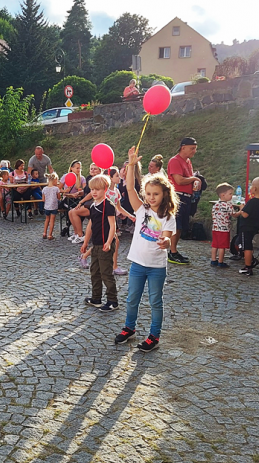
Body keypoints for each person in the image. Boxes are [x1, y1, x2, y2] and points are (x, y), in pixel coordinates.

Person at [115, 146, 178, 352]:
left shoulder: (168, 217)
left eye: (156, 194)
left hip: (156, 267)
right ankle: (129, 328)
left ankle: (154, 336)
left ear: (164, 194)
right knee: (132, 298)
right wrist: (131, 165)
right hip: (137, 265)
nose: (151, 197)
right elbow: (130, 188)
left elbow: (168, 239)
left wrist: (165, 243)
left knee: (155, 302)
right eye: (149, 194)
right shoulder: (141, 210)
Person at [80, 175, 118, 312]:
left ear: (105, 189)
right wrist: (85, 242)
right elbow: (90, 225)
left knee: (106, 273)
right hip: (95, 245)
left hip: (105, 245)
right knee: (94, 272)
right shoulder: (92, 205)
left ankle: (112, 300)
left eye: (97, 189)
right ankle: (96, 298)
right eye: (92, 189)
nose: (94, 192)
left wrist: (109, 241)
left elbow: (112, 225)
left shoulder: (108, 205)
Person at [167, 137, 201, 264]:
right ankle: (172, 251)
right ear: (183, 147)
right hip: (178, 196)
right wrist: (193, 179)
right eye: (192, 148)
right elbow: (179, 180)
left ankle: (174, 250)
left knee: (180, 226)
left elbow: (187, 179)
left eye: (195, 149)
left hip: (186, 197)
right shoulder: (175, 161)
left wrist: (194, 183)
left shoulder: (187, 162)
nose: (194, 151)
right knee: (176, 225)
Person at [233, 177, 259, 276]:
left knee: (246, 246)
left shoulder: (252, 202)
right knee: (241, 243)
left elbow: (245, 214)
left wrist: (241, 208)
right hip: (255, 226)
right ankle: (251, 260)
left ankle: (248, 267)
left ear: (255, 189)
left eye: (251, 186)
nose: (250, 188)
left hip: (246, 227)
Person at [67, 163, 102, 242]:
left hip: (94, 204)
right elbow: (86, 191)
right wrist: (79, 193)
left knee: (74, 212)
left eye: (95, 169)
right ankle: (76, 233)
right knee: (70, 212)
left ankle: (80, 235)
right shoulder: (89, 178)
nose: (92, 170)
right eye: (91, 169)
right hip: (87, 202)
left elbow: (91, 194)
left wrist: (81, 201)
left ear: (100, 171)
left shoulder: (99, 180)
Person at [211, 183, 235, 267]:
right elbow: (234, 214)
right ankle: (220, 262)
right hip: (224, 229)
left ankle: (213, 260)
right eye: (230, 194)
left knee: (215, 245)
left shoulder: (215, 205)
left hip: (215, 228)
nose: (232, 196)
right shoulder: (228, 205)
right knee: (222, 246)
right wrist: (241, 210)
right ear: (223, 195)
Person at [62, 161, 87, 241]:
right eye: (77, 168)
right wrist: (65, 191)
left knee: (77, 210)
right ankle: (73, 229)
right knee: (71, 210)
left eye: (80, 168)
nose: (78, 170)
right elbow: (58, 188)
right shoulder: (65, 176)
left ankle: (75, 231)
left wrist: (81, 190)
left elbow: (85, 190)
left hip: (77, 199)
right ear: (72, 168)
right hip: (67, 199)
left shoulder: (82, 178)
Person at [42, 173, 60, 240]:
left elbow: (43, 199)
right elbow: (58, 197)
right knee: (52, 220)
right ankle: (50, 235)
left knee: (47, 219)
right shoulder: (56, 189)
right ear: (55, 180)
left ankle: (44, 233)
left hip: (47, 207)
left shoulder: (44, 189)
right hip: (54, 207)